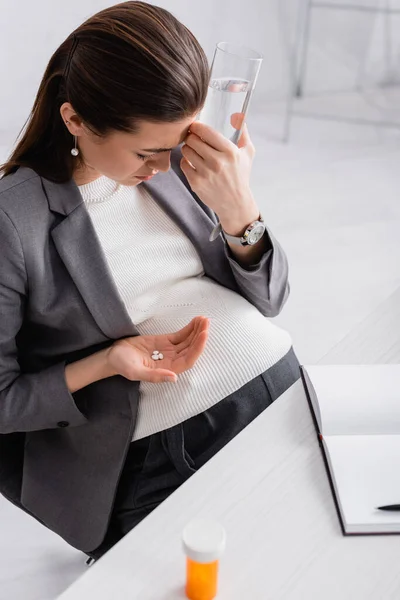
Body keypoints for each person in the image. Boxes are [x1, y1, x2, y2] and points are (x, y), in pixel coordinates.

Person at [0, 1, 301, 564]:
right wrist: (108, 362)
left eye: (175, 145)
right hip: (173, 451)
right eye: (147, 152)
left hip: (286, 396)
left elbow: (272, 299)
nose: (167, 166)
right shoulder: (13, 221)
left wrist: (240, 208)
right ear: (74, 121)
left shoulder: (180, 162)